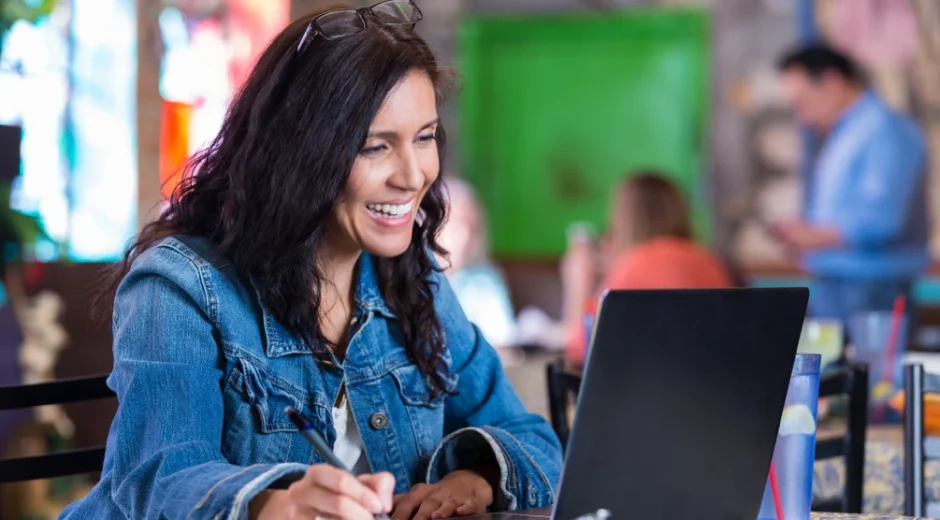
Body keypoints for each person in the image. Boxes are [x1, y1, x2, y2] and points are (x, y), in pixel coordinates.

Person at [59, 3, 561, 519]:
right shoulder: (179, 285)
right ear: (300, 155)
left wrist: (472, 478)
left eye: (425, 137)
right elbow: (160, 477)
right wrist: (275, 504)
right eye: (375, 147)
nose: (413, 175)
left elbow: (533, 439)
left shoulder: (413, 282)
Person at [773, 44, 929, 324]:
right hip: (842, 282)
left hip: (873, 286)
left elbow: (882, 218)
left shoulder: (883, 130)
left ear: (832, 82)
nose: (803, 118)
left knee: (869, 366)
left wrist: (815, 236)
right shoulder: (848, 131)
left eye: (803, 102)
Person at [561, 172, 733, 366]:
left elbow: (581, 350)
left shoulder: (634, 263)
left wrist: (578, 282)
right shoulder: (710, 261)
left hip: (654, 389)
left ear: (624, 218)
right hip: (713, 384)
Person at [436, 177, 515, 350]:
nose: (465, 237)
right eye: (455, 225)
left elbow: (502, 346)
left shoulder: (484, 280)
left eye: (472, 227)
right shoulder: (408, 277)